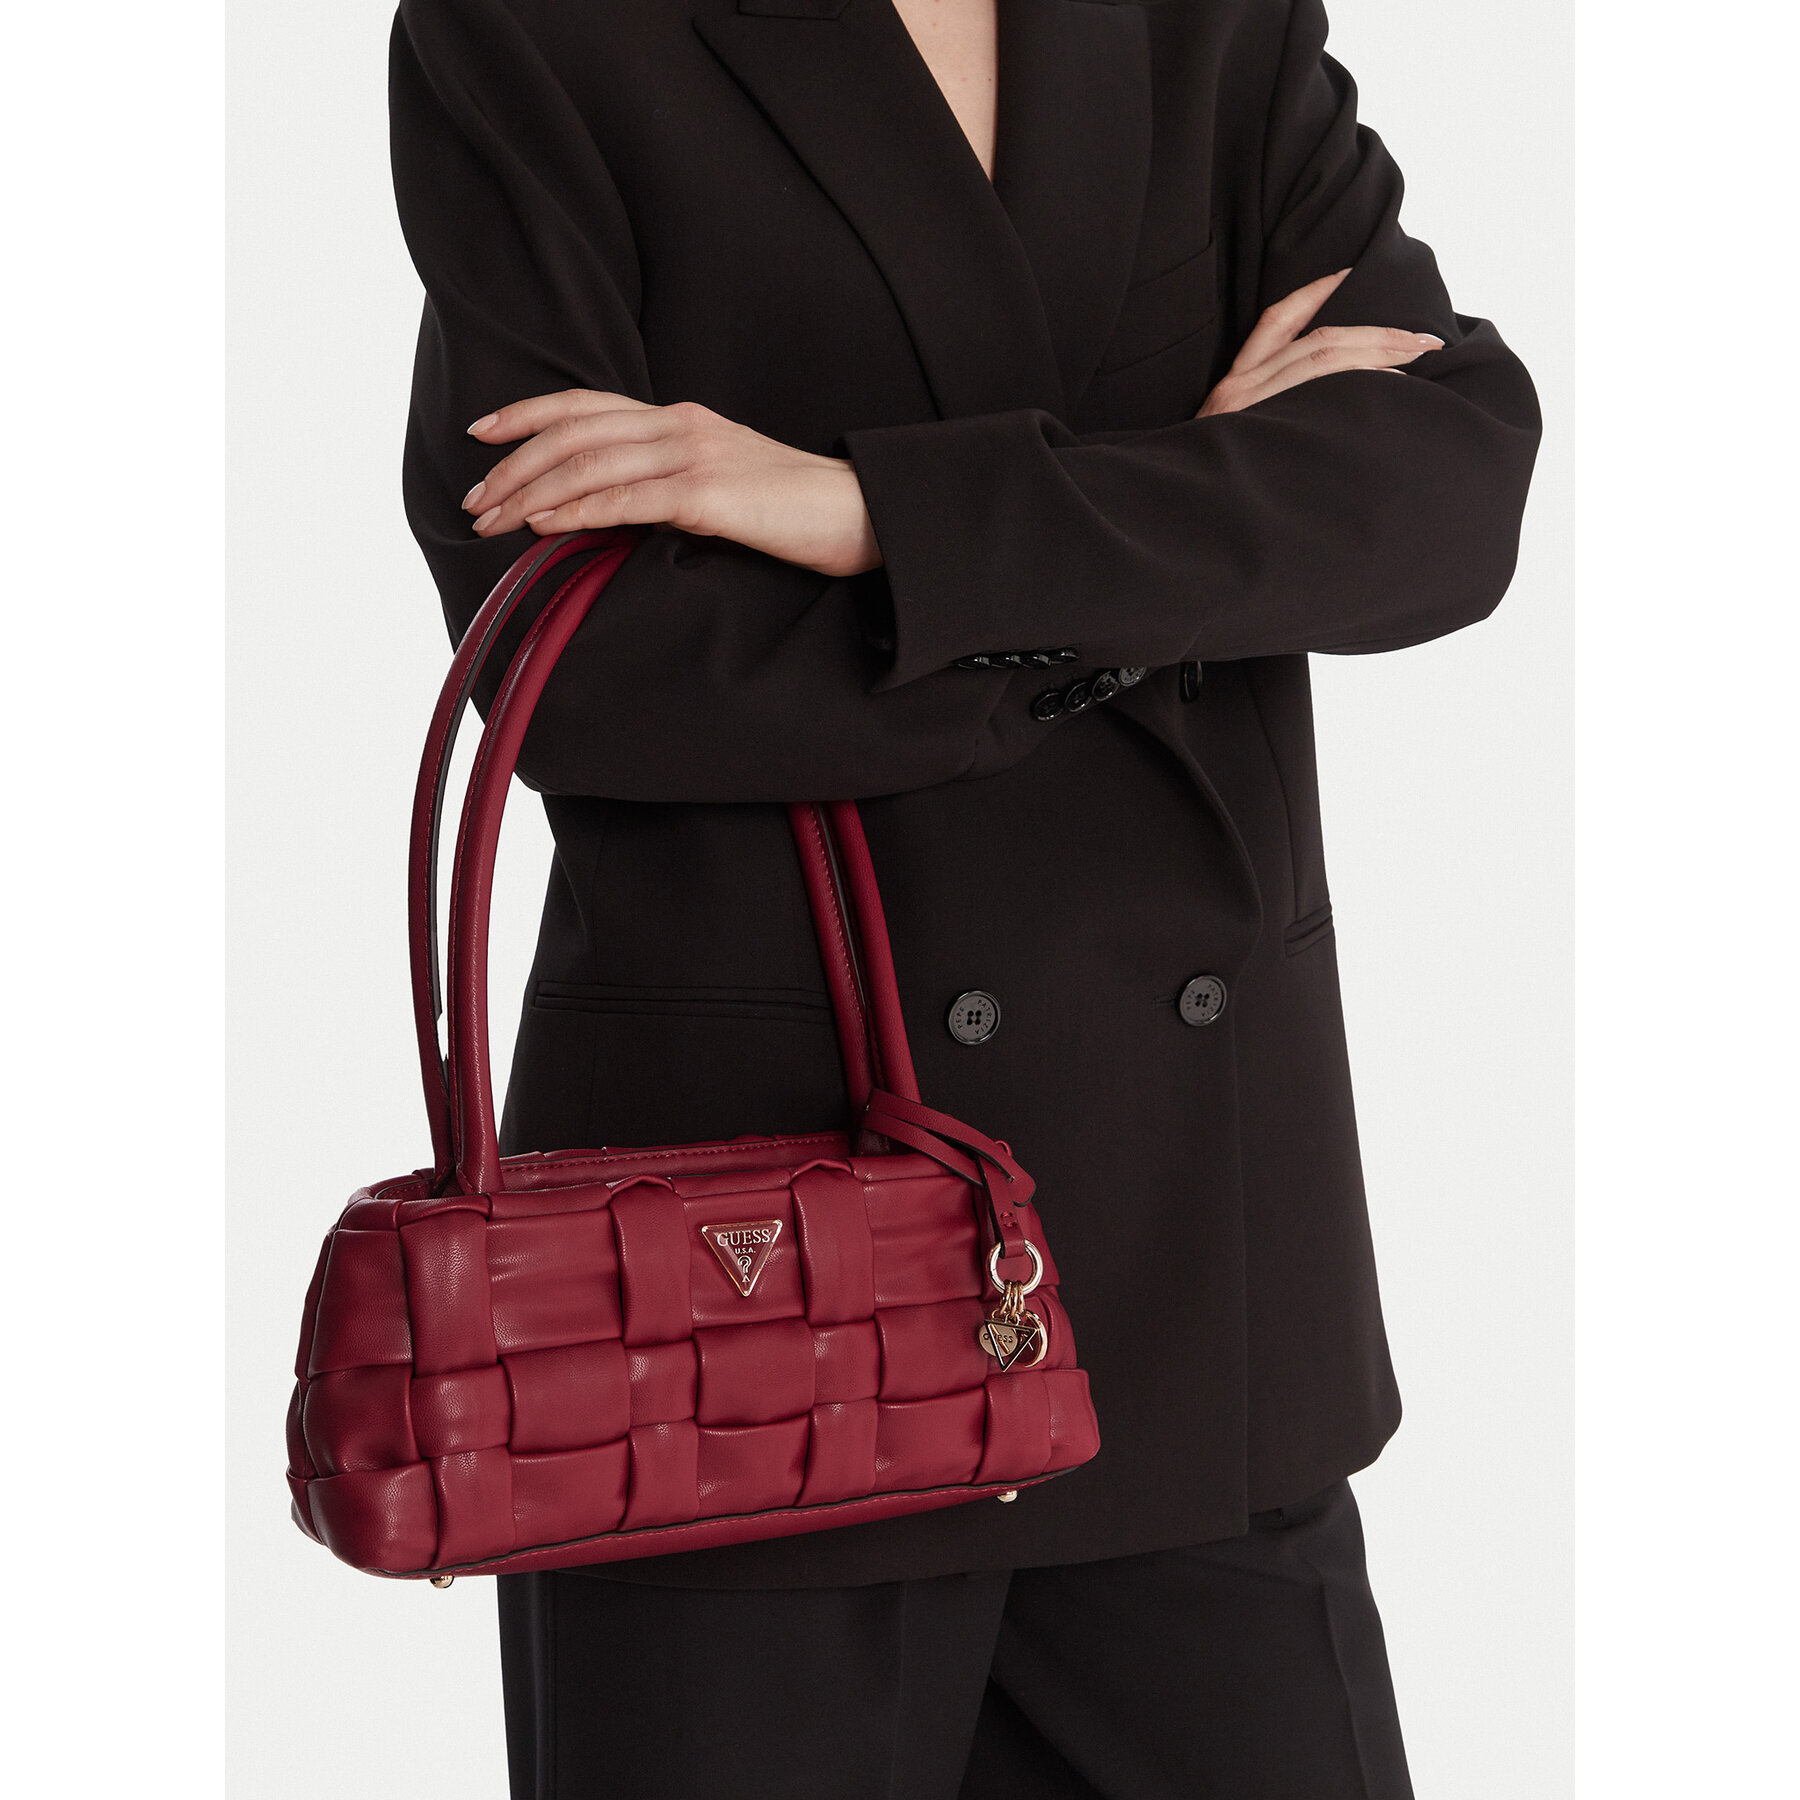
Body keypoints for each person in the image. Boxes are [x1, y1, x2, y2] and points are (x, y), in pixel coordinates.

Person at [388, 0, 1541, 1792]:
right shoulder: (536, 31)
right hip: (727, 1316)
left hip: (1188, 1278)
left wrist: (869, 516)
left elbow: (1444, 493)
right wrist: (1156, 543)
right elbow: (586, 659)